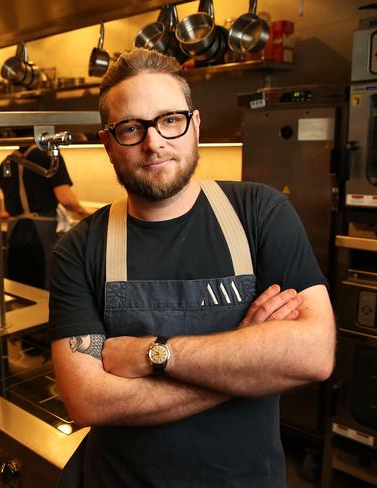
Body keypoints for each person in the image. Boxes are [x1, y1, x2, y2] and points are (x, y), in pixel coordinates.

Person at [48, 49, 336, 487]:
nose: (154, 142)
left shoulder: (260, 213)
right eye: (131, 128)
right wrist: (247, 358)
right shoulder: (80, 249)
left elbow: (314, 354)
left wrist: (152, 354)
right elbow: (88, 402)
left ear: (194, 125)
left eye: (170, 120)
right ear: (108, 144)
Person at [0, 143, 88, 289]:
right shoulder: (49, 155)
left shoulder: (5, 163)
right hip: (41, 232)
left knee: (19, 286)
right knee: (44, 286)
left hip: (14, 231)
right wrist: (85, 212)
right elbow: (65, 198)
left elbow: (14, 201)